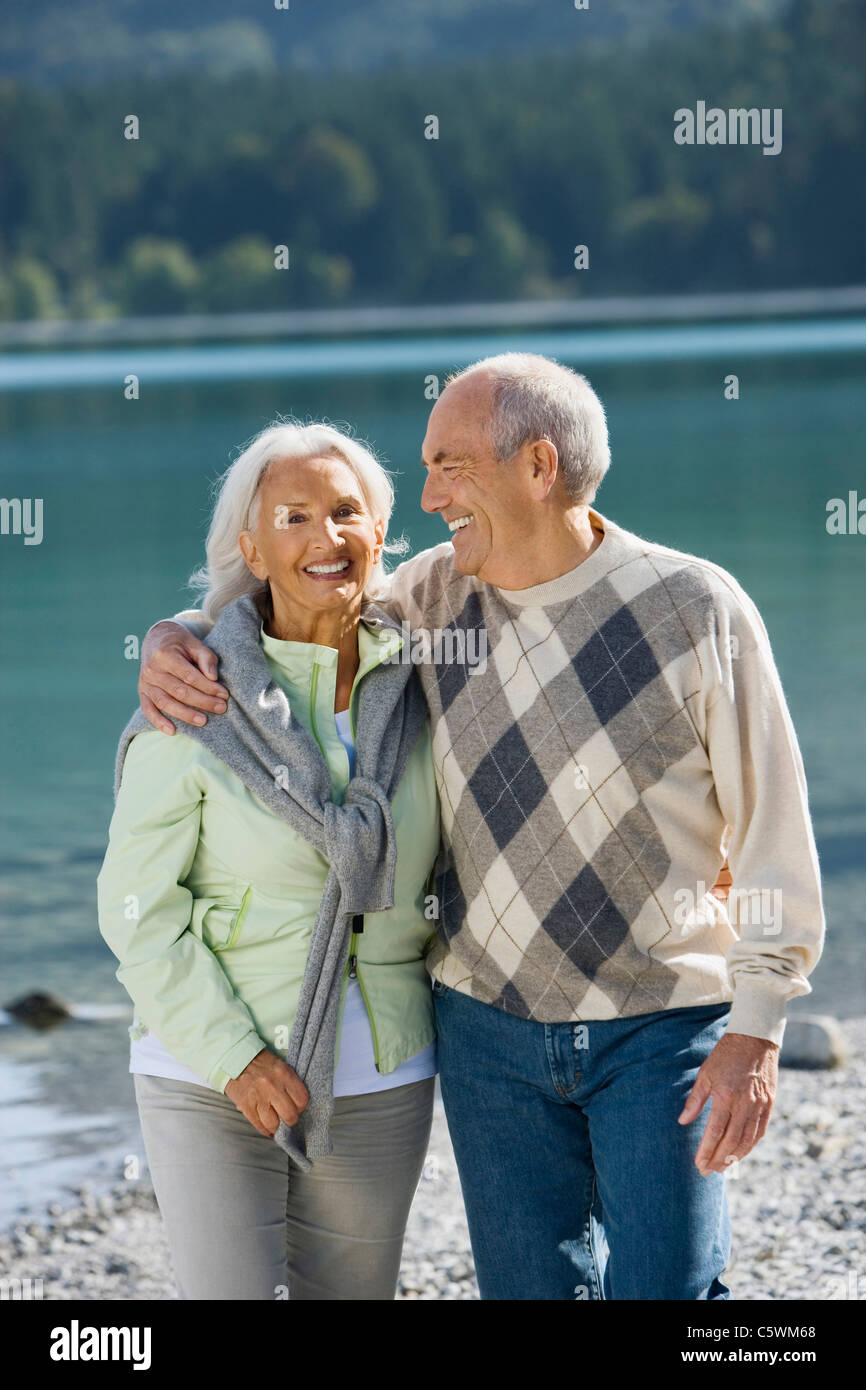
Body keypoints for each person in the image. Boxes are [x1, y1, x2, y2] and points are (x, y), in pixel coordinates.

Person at [138, 354, 824, 1300]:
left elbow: (772, 832)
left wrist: (759, 1027)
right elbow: (299, 598)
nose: (427, 497)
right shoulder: (429, 599)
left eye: (450, 466)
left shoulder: (696, 609)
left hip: (661, 1025)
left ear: (539, 467)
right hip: (485, 1029)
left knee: (674, 1290)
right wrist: (177, 636)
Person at [97, 421, 441, 1301]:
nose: (325, 539)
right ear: (251, 547)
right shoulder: (198, 690)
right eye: (293, 517)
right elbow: (136, 908)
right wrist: (236, 1056)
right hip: (208, 1069)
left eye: (346, 513)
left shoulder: (430, 678)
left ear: (379, 534)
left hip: (383, 1069)